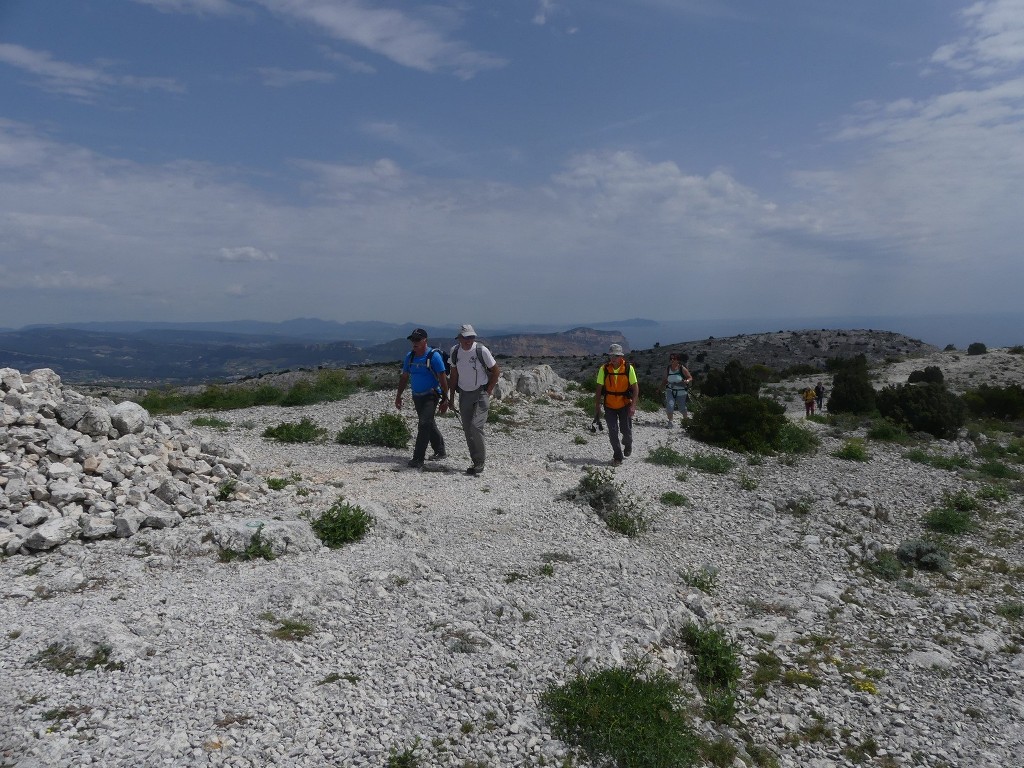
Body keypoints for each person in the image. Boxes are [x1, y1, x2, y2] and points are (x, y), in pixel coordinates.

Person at [447, 324, 500, 476]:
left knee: (476, 426)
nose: (469, 340)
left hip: (480, 393)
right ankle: (476, 461)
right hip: (464, 393)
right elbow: (454, 375)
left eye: (471, 337)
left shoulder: (481, 351)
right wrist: (451, 398)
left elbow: (496, 370)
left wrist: (489, 390)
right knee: (467, 429)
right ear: (460, 338)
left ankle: (480, 461)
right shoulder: (455, 351)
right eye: (466, 337)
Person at [394, 328, 449, 469]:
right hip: (416, 396)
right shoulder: (410, 357)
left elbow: (443, 378)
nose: (414, 342)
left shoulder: (433, 357)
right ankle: (440, 450)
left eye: (417, 339)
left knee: (424, 424)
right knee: (428, 423)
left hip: (431, 394)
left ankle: (418, 458)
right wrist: (398, 396)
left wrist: (445, 398)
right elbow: (405, 376)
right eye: (412, 339)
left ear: (425, 340)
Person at [595, 343, 639, 466]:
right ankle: (617, 456)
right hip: (609, 405)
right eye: (611, 356)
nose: (613, 358)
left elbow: (635, 388)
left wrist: (633, 405)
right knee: (612, 431)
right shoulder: (604, 369)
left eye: (616, 356)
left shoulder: (628, 369)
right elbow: (599, 388)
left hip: (624, 404)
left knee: (626, 431)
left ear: (621, 356)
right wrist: (597, 405)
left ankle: (628, 443)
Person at [661, 352, 693, 427]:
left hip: (681, 391)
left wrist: (687, 381)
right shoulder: (668, 369)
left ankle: (685, 420)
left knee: (682, 408)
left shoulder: (682, 368)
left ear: (678, 360)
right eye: (671, 358)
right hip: (670, 390)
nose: (672, 360)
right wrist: (659, 388)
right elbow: (665, 380)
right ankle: (670, 422)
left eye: (674, 358)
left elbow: (690, 377)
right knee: (670, 405)